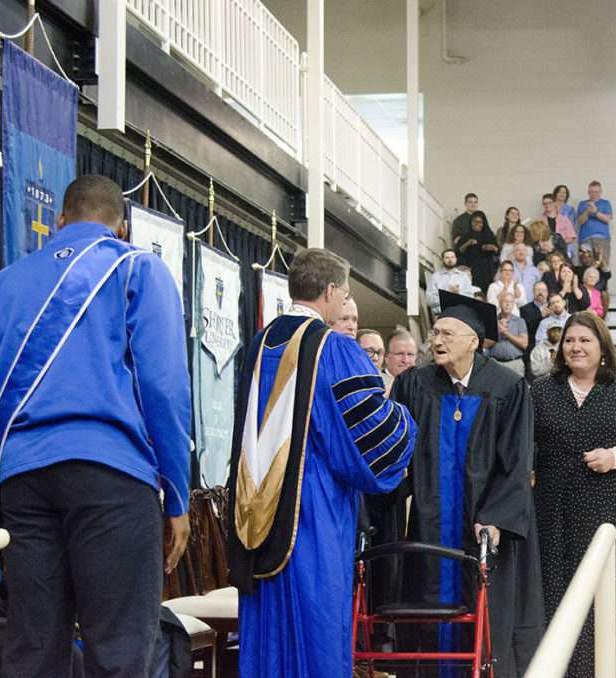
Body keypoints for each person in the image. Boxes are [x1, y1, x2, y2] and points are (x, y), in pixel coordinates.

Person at [0, 175, 191, 676]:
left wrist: (12, 464)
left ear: (60, 221)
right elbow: (164, 386)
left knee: (33, 649)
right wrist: (177, 493)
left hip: (22, 481)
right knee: (118, 650)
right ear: (123, 227)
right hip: (111, 477)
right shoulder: (138, 269)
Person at [228, 248, 415, 678]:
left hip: (255, 510)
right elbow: (367, 439)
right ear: (330, 291)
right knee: (316, 628)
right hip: (312, 511)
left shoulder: (259, 343)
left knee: (267, 631)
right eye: (345, 294)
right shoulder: (333, 349)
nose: (346, 302)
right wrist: (406, 419)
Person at [386, 291, 544, 677]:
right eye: (435, 333)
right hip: (430, 524)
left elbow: (517, 461)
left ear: (474, 340)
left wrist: (495, 517)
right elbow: (395, 449)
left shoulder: (507, 387)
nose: (436, 341)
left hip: (481, 528)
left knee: (482, 610)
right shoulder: (413, 384)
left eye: (447, 333)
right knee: (426, 603)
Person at [532, 312, 616, 677]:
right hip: (553, 513)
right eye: (570, 341)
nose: (576, 347)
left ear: (602, 347)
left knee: (610, 598)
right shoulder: (541, 390)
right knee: (557, 595)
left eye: (585, 340)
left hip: (611, 511)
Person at [489, 291, 529, 376]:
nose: (508, 304)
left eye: (510, 302)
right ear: (500, 303)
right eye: (505, 301)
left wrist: (506, 333)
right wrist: (497, 332)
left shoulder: (520, 321)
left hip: (515, 364)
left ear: (513, 305)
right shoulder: (492, 320)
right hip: (496, 363)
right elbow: (485, 345)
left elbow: (524, 344)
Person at [457, 210, 498, 292]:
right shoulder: (465, 235)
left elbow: (497, 251)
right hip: (471, 269)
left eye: (480, 222)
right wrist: (467, 243)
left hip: (487, 270)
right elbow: (458, 252)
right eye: (475, 221)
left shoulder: (489, 235)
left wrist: (492, 248)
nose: (477, 224)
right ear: (470, 222)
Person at [427, 248, 476, 313]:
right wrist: (447, 294)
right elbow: (429, 300)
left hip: (461, 314)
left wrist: (458, 293)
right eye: (447, 258)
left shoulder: (464, 276)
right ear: (442, 260)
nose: (450, 260)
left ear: (456, 259)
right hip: (441, 314)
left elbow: (470, 297)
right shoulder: (435, 277)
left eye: (452, 257)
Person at [575, 180, 614, 262]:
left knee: (602, 266)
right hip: (585, 239)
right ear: (588, 192)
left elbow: (607, 219)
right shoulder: (582, 204)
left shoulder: (606, 203)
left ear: (600, 192)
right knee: (585, 266)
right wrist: (587, 211)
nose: (594, 194)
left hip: (602, 239)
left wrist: (596, 211)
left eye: (596, 192)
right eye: (591, 192)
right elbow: (580, 221)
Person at [542, 193, 577, 259]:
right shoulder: (541, 221)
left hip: (562, 252)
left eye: (550, 202)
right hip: (546, 253)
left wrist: (557, 242)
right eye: (545, 203)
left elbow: (571, 238)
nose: (547, 205)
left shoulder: (565, 219)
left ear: (555, 203)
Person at [521, 281, 551, 351]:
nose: (540, 292)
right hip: (534, 347)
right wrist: (540, 316)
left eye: (543, 290)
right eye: (538, 290)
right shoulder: (525, 309)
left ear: (547, 293)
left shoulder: (552, 306)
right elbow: (525, 328)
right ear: (533, 292)